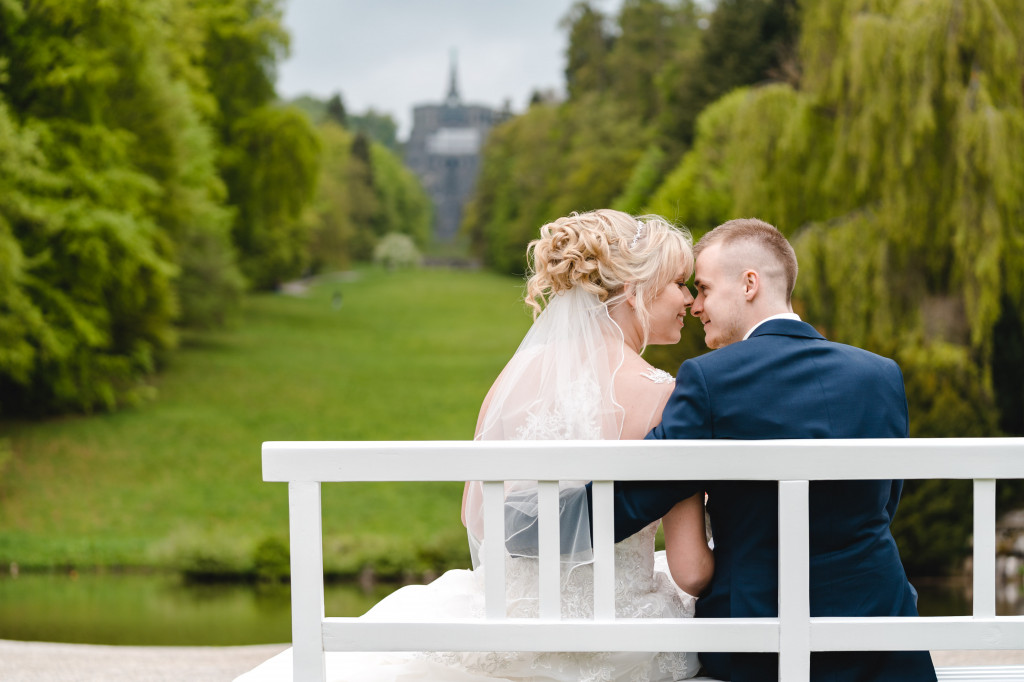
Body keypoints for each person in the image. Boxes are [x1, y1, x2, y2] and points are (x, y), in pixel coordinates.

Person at [322, 209, 713, 682]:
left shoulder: (513, 379)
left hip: (507, 625)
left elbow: (477, 517)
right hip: (619, 637)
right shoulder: (663, 395)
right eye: (678, 283)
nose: (689, 300)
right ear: (634, 291)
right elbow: (690, 570)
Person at [607, 218, 937, 682]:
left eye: (702, 288)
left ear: (749, 284)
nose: (696, 305)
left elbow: (635, 495)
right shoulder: (880, 376)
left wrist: (529, 526)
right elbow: (883, 503)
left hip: (758, 646)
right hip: (881, 635)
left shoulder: (709, 380)